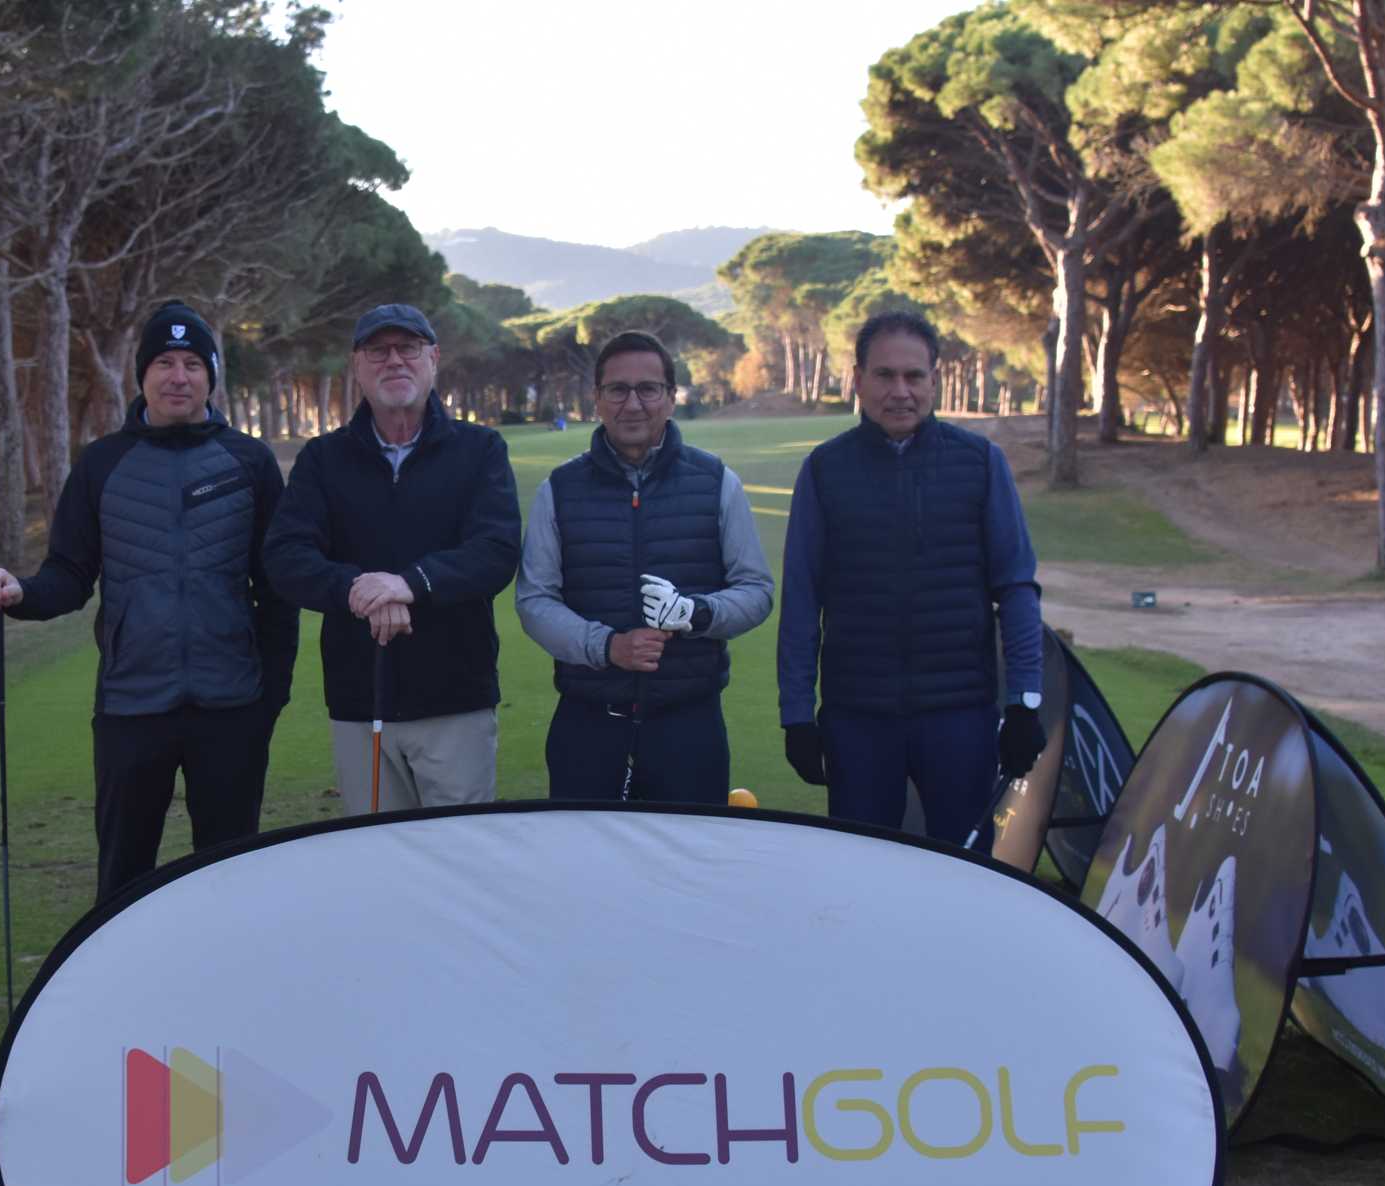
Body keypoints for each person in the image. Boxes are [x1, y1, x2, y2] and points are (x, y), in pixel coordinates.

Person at [0, 299, 298, 903]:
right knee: (124, 880)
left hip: (230, 704)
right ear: (142, 374)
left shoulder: (249, 462)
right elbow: (70, 573)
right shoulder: (102, 463)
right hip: (131, 704)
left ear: (211, 376)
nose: (179, 376)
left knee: (230, 877)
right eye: (165, 363)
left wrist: (270, 697)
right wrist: (21, 592)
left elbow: (277, 589)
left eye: (193, 364)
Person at [775, 311, 1046, 844]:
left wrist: (1024, 703)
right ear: (858, 380)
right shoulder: (825, 469)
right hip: (857, 719)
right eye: (884, 375)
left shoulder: (980, 462)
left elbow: (1016, 588)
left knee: (964, 872)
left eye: (914, 376)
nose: (900, 391)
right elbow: (803, 600)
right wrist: (797, 715)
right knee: (861, 871)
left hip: (960, 716)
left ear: (933, 380)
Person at [264, 303, 520, 813]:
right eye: (378, 351)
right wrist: (357, 589)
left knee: (458, 851)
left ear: (434, 358)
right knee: (377, 854)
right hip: (361, 701)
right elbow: (286, 556)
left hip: (456, 700)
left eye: (408, 348)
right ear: (357, 366)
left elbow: (495, 551)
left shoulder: (480, 449)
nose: (394, 360)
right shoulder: (323, 459)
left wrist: (410, 584)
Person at [516, 330, 773, 802]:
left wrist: (695, 613)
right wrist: (608, 646)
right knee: (585, 849)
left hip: (688, 726)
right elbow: (535, 600)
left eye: (648, 389)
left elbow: (756, 590)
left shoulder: (718, 482)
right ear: (597, 399)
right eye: (617, 389)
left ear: (671, 398)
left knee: (687, 851)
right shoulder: (560, 489)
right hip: (588, 724)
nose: (632, 404)